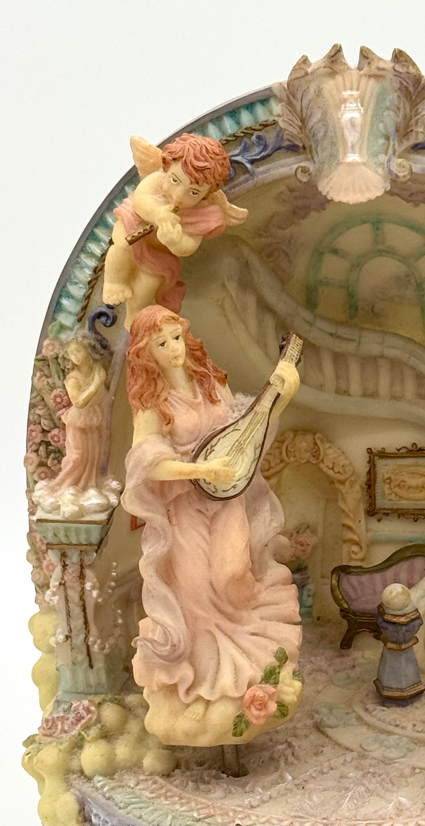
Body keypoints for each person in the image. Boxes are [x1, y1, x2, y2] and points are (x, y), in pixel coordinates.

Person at [122, 305, 302, 746]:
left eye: (176, 337)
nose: (173, 349)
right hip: (185, 508)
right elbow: (146, 463)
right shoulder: (152, 403)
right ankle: (206, 686)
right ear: (146, 353)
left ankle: (255, 659)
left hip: (225, 501)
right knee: (196, 595)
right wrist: (198, 471)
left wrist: (283, 394)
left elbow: (247, 432)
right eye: (161, 343)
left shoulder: (210, 383)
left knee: (233, 575)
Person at [103, 133, 248, 327]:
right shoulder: (156, 180)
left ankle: (135, 314)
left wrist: (174, 240)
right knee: (121, 244)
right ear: (167, 167)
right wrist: (157, 213)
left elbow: (189, 246)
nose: (179, 195)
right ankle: (114, 282)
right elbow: (141, 200)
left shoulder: (201, 214)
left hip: (158, 251)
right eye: (174, 180)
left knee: (150, 282)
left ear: (207, 194)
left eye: (194, 192)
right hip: (135, 223)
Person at [32, 332, 120, 519]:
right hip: (78, 421)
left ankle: (87, 485)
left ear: (89, 351)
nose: (76, 356)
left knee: (93, 455)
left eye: (79, 351)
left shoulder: (97, 370)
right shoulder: (73, 378)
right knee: (77, 456)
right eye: (72, 353)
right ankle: (64, 486)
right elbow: (79, 402)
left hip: (93, 421)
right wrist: (96, 384)